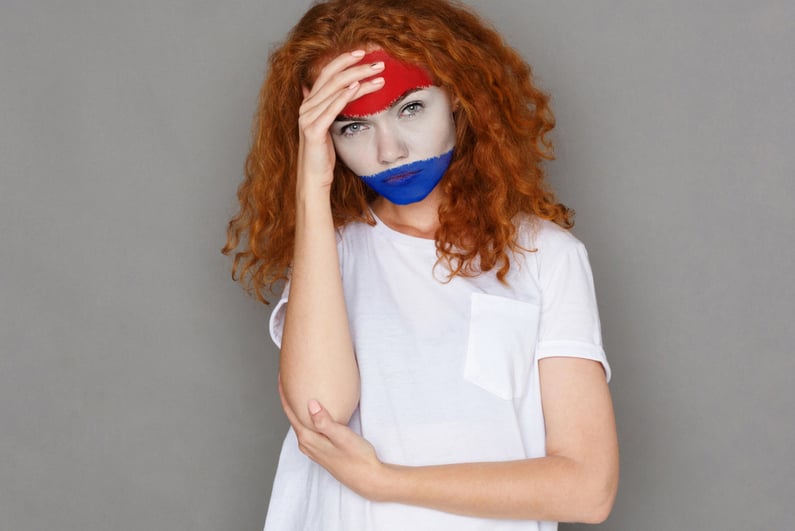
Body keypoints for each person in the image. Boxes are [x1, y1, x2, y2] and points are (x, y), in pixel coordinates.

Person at [223, 0, 619, 529]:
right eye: (351, 128)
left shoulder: (547, 257)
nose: (390, 151)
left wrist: (385, 483)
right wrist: (311, 187)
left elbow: (587, 490)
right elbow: (322, 414)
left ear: (457, 95)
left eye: (410, 108)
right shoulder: (330, 251)